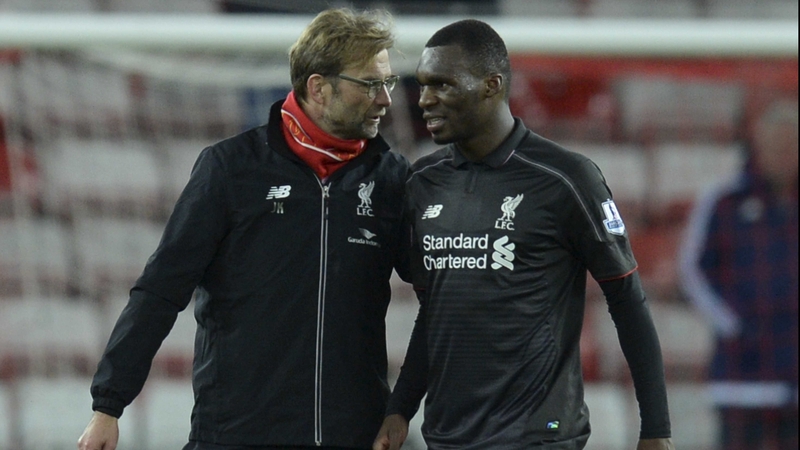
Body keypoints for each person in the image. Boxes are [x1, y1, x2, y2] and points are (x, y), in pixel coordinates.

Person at [77, 8, 412, 450]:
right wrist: (109, 405)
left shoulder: (391, 179)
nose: (386, 99)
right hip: (235, 434)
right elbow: (160, 290)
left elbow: (439, 296)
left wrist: (402, 406)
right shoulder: (231, 169)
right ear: (318, 88)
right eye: (370, 84)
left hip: (351, 435)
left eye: (387, 82)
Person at [373, 19, 674, 450]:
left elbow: (628, 302)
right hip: (447, 435)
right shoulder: (422, 183)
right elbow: (437, 313)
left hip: (538, 437)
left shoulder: (566, 179)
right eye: (421, 85)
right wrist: (400, 407)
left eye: (442, 85)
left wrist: (657, 429)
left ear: (492, 85)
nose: (425, 100)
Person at [678, 97, 798, 450]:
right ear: (758, 146)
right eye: (776, 145)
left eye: (791, 146)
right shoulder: (723, 202)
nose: (783, 154)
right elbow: (694, 270)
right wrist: (737, 325)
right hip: (740, 373)